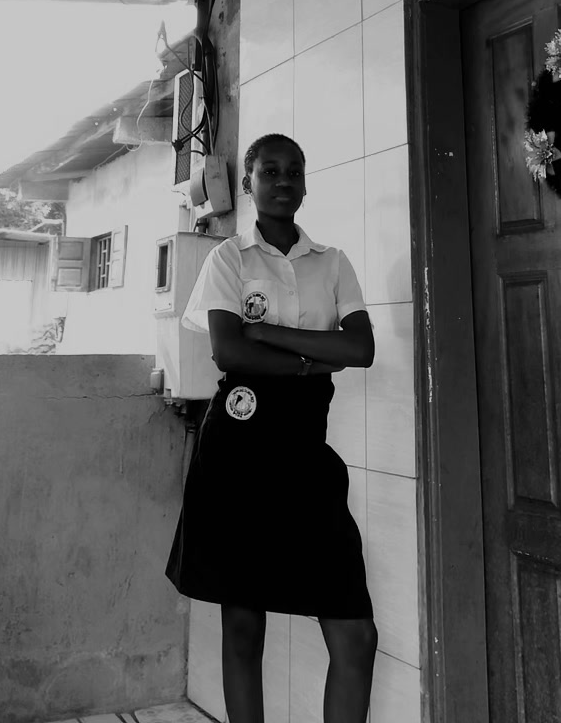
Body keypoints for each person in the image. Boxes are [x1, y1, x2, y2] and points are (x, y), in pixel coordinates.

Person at [166, 132, 377, 723]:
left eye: (294, 171)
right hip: (236, 453)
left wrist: (268, 334)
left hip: (306, 453)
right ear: (248, 182)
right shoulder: (228, 259)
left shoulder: (332, 262)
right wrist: (313, 360)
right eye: (270, 171)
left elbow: (360, 349)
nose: (284, 181)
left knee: (356, 635)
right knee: (242, 624)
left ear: (305, 183)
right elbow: (229, 352)